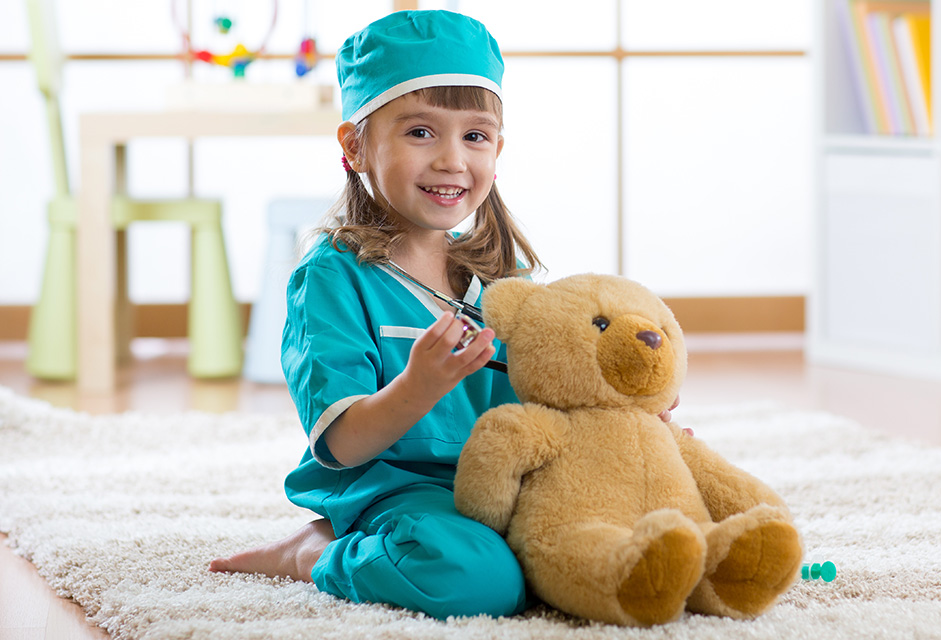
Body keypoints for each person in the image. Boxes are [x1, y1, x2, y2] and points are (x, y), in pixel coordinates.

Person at [210, 9, 680, 619]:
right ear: (356, 146)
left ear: (498, 149)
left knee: (628, 529)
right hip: (400, 492)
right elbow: (342, 444)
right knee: (481, 580)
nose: (452, 160)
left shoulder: (502, 275)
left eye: (475, 136)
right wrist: (420, 385)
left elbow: (548, 393)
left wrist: (625, 414)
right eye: (421, 132)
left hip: (506, 483)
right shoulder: (331, 277)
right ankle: (315, 554)